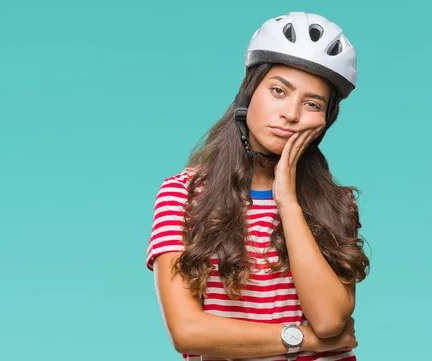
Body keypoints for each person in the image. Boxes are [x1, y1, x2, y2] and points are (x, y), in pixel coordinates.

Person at [145, 12, 370, 361]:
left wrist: (288, 201)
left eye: (312, 103)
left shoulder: (336, 205)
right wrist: (304, 340)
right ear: (249, 93)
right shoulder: (184, 194)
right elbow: (188, 332)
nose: (291, 114)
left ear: (325, 120)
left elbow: (328, 321)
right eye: (278, 91)